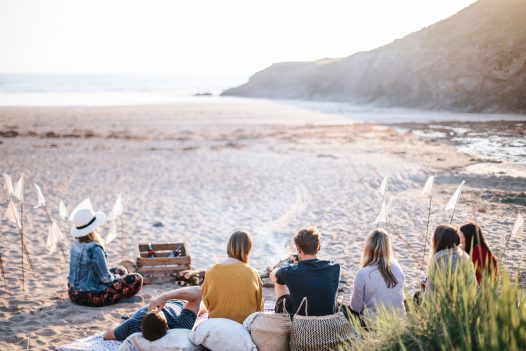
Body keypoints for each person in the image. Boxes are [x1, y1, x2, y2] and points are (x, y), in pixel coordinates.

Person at [68, 208, 143, 307]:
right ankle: (119, 298)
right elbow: (106, 278)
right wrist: (118, 278)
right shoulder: (95, 249)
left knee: (120, 269)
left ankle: (118, 292)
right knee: (137, 278)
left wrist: (118, 276)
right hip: (89, 297)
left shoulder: (75, 244)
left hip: (73, 293)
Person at [270, 227, 340, 316]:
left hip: (300, 324)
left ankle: (282, 316)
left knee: (279, 281)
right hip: (327, 321)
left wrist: (278, 269)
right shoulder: (335, 267)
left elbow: (272, 276)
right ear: (318, 247)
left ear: (298, 249)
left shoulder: (290, 271)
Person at [201, 231, 263, 323]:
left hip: (217, 323)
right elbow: (259, 307)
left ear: (229, 247)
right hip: (244, 326)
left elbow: (206, 302)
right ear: (248, 249)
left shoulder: (211, 271)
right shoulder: (252, 272)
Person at [103, 286, 202, 342]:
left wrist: (119, 326)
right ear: (166, 325)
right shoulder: (180, 326)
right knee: (201, 308)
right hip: (180, 303)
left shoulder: (133, 325)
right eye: (157, 310)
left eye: (150, 311)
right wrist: (166, 296)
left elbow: (107, 334)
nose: (154, 308)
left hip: (179, 302)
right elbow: (198, 291)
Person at [349, 229, 405, 318]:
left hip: (373, 327)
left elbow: (355, 309)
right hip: (399, 325)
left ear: (368, 248)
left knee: (344, 309)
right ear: (388, 249)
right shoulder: (397, 268)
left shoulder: (362, 274)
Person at [425, 224, 477, 293]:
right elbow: (474, 286)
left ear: (437, 241)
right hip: (466, 301)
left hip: (444, 302)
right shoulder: (465, 257)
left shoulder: (438, 259)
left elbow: (430, 293)